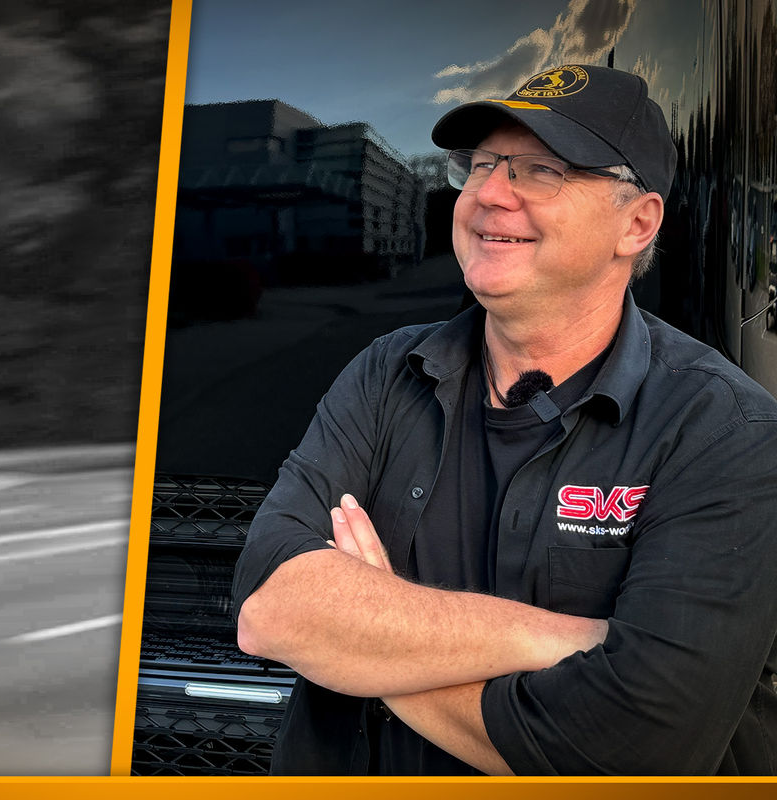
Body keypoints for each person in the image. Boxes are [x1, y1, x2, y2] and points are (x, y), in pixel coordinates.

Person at [231, 64, 777, 775]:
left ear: (637, 223)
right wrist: (566, 639)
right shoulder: (385, 372)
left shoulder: (728, 434)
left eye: (541, 170)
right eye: (482, 164)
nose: (489, 193)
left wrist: (367, 640)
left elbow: (633, 754)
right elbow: (269, 610)